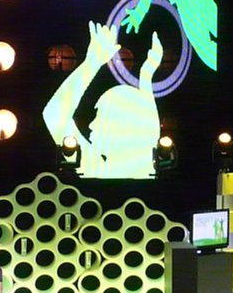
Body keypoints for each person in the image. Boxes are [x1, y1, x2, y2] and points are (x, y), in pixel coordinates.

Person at [43, 21, 162, 179]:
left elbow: (54, 114)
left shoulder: (95, 166)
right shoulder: (98, 164)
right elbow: (54, 114)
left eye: (101, 116)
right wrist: (146, 79)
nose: (91, 125)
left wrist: (93, 62)